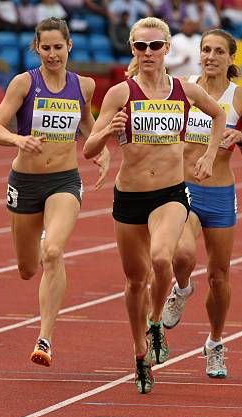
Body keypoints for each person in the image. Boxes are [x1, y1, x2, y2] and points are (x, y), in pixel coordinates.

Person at [82, 17, 225, 394]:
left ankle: (157, 320)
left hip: (170, 194)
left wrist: (209, 155)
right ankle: (140, 352)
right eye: (141, 46)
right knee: (133, 281)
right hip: (129, 197)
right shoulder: (120, 93)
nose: (148, 53)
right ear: (132, 49)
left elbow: (219, 115)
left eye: (156, 46)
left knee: (162, 259)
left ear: (167, 49)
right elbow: (88, 149)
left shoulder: (184, 90)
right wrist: (109, 131)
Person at [0, 17, 110, 368]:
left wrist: (98, 150)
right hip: (25, 183)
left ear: (69, 46)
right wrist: (17, 138)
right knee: (28, 268)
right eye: (46, 48)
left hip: (64, 182)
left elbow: (87, 125)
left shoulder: (83, 86)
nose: (52, 54)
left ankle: (45, 339)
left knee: (53, 253)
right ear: (36, 48)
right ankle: (41, 238)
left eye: (58, 47)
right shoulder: (24, 83)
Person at [160, 28, 242, 379]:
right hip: (183, 186)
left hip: (220, 192)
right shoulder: (182, 88)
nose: (211, 56)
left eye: (219, 51)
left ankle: (215, 344)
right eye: (206, 50)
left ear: (231, 58)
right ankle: (182, 288)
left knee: (219, 276)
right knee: (183, 255)